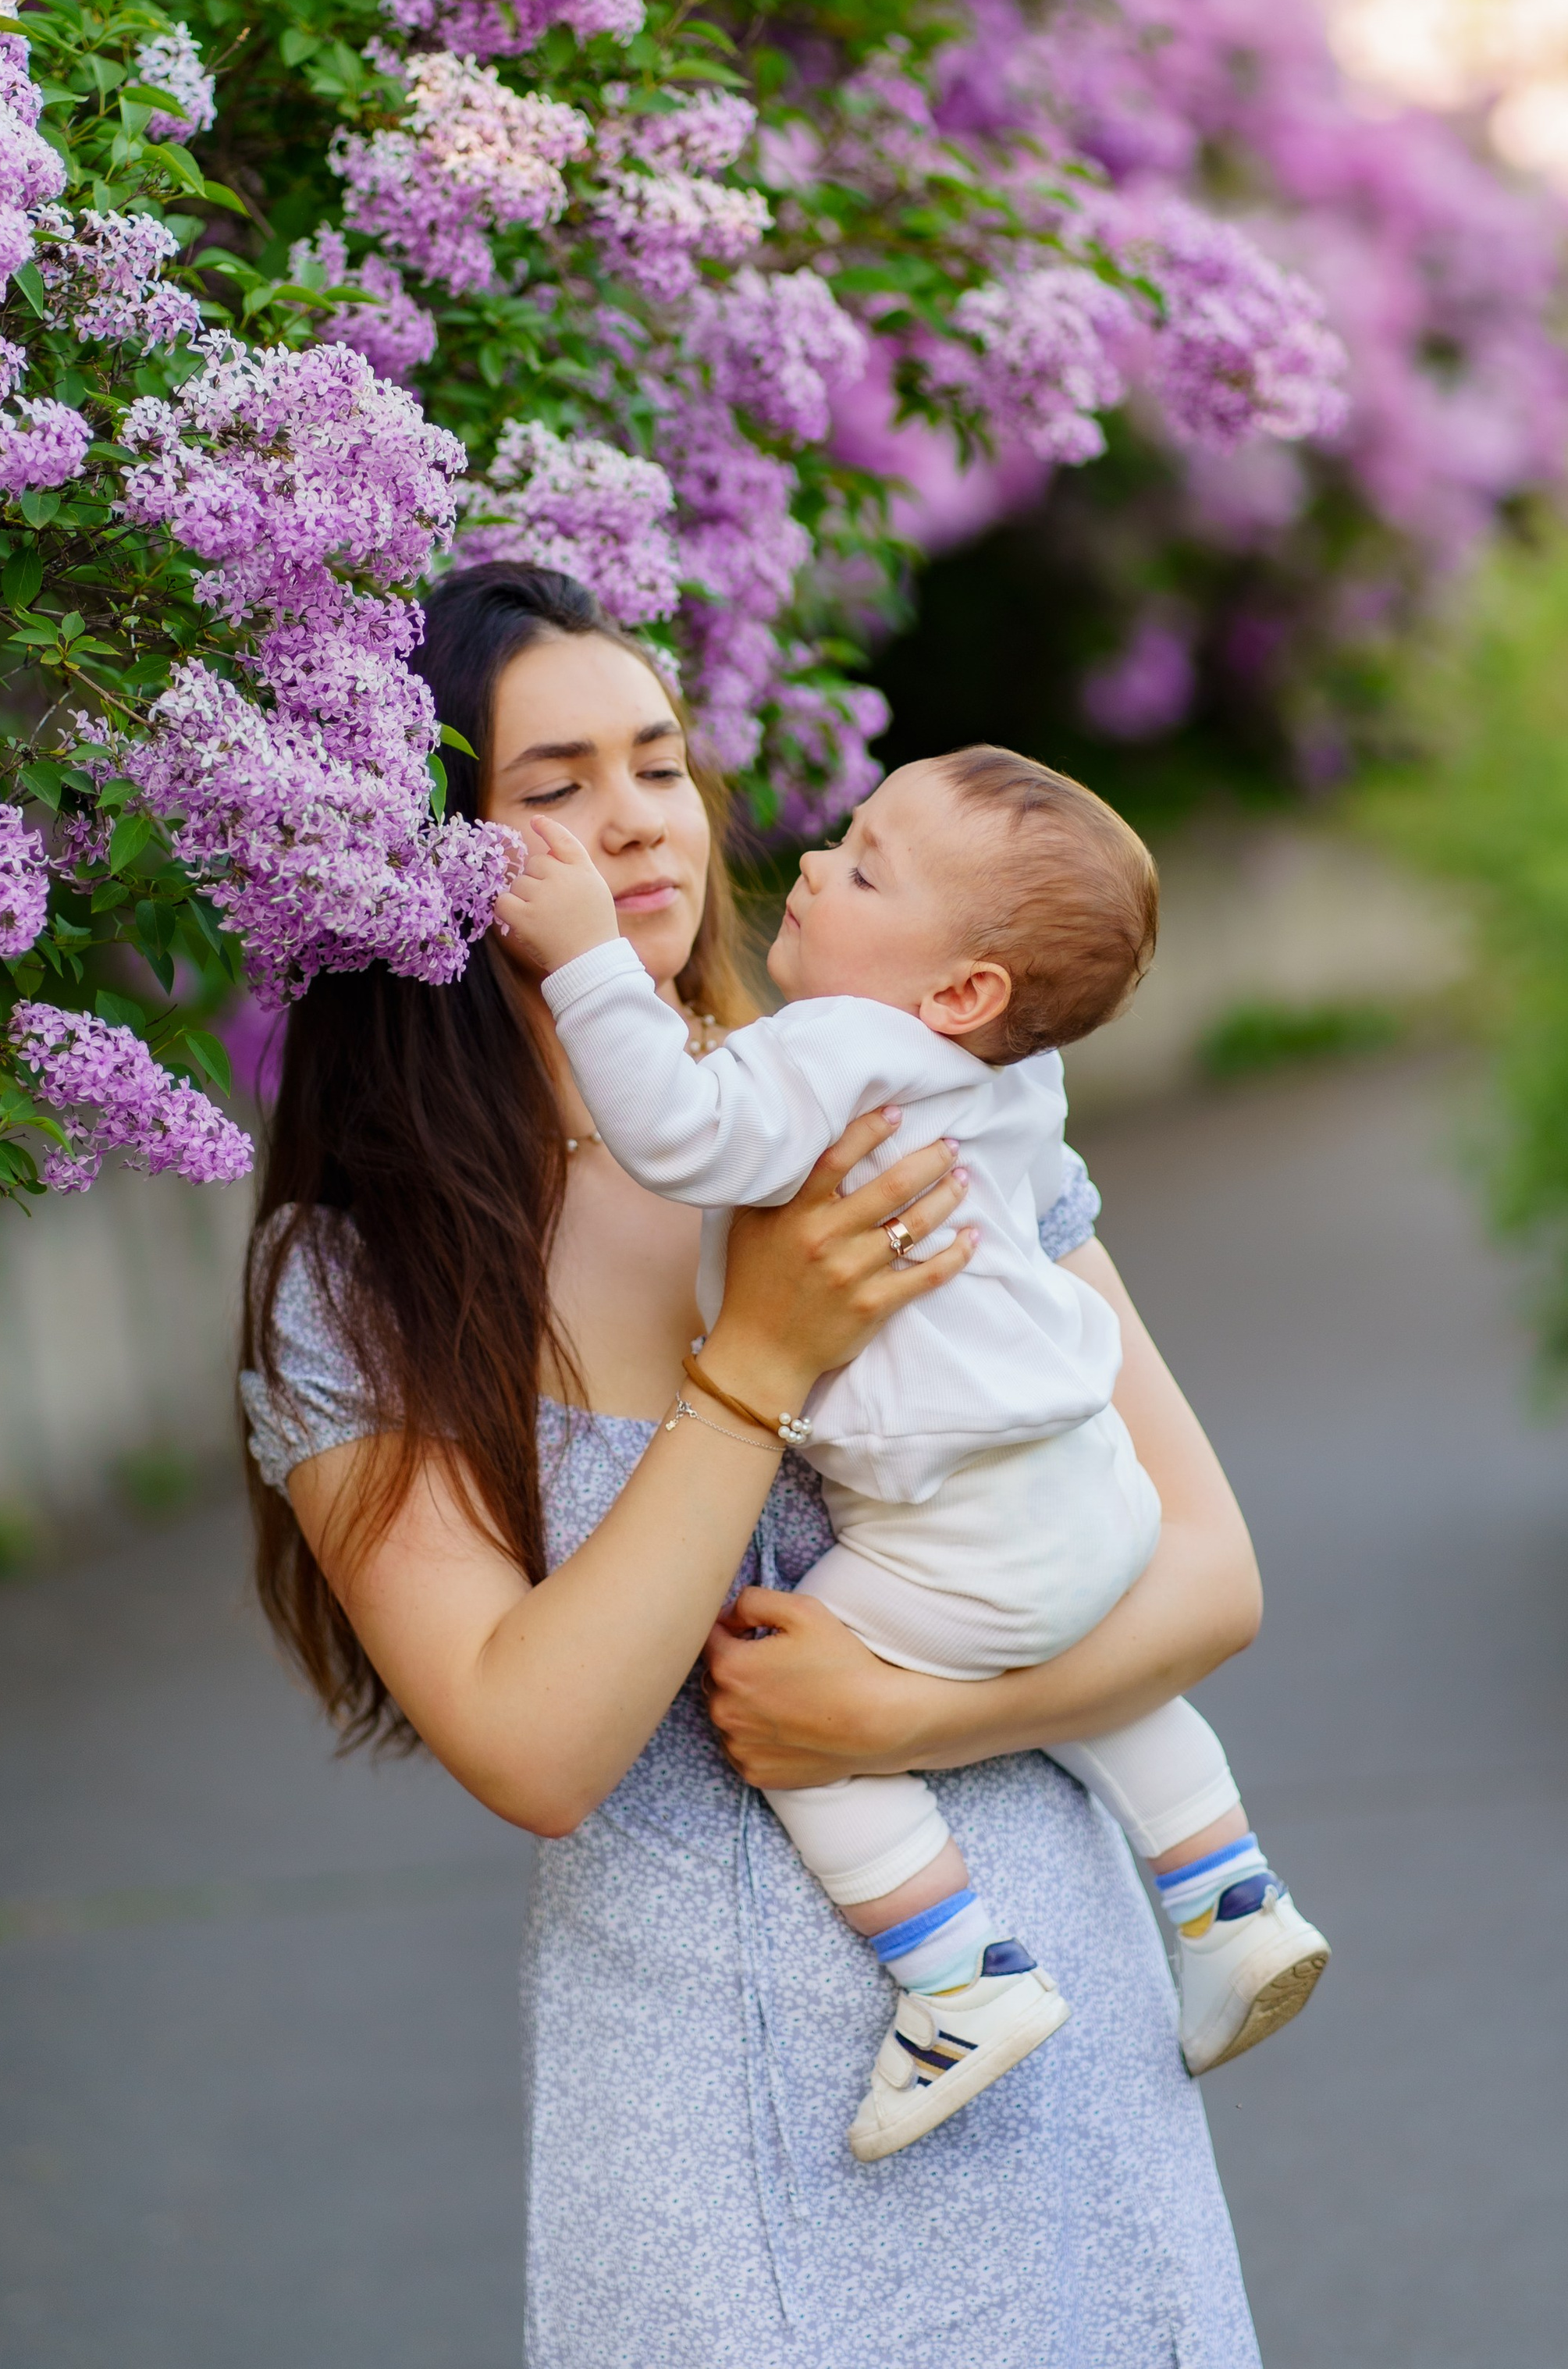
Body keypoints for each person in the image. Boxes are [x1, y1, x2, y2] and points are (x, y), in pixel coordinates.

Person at [240, 560, 1267, 2369]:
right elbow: (536, 1745)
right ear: (426, 856)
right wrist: (760, 1361)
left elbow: (1201, 1576)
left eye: (655, 762)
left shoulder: (893, 1108)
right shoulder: (363, 1279)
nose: (635, 824)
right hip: (705, 2108)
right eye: (549, 790)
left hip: (1042, 2028)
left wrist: (896, 1722)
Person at [495, 745, 1328, 2163]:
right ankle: (1233, 1900)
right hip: (1086, 1492)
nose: (813, 863)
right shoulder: (1011, 1079)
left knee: (787, 1709)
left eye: (865, 866)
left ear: (959, 993)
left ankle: (956, 1978)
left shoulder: (844, 1045)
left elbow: (686, 1136)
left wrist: (588, 970)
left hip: (960, 1527)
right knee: (1091, 1680)